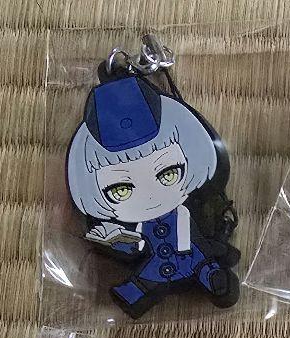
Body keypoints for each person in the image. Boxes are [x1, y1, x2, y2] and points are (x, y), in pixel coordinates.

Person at [66, 74, 239, 317]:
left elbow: (196, 237)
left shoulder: (188, 214)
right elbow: (135, 246)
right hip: (153, 267)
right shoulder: (135, 228)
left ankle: (212, 278)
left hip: (193, 258)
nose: (149, 197)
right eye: (121, 190)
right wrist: (117, 241)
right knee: (139, 287)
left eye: (168, 174)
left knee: (206, 268)